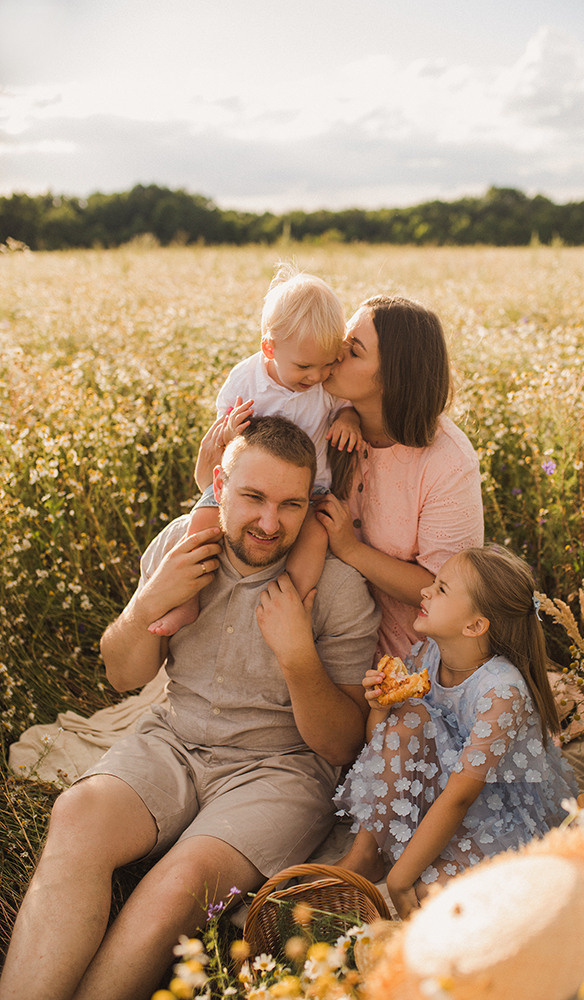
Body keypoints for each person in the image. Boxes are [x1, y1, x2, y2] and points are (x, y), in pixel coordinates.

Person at [0, 416, 380, 1000]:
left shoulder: (336, 587)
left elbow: (342, 746)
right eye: (252, 497)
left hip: (280, 770)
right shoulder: (182, 541)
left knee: (180, 883)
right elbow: (123, 674)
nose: (269, 522)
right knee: (77, 814)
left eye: (291, 505)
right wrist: (148, 601)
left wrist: (298, 656)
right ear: (218, 486)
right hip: (173, 740)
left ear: (310, 506)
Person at [335, 544, 579, 919]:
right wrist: (380, 708)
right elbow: (383, 749)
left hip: (492, 808)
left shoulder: (502, 692)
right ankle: (365, 854)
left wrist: (401, 879)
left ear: (475, 625)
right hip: (440, 793)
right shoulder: (425, 656)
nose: (425, 591)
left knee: (429, 895)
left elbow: (461, 798)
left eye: (442, 589)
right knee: (410, 714)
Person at [148, 264, 362, 636]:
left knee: (316, 536)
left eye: (327, 366)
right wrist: (230, 428)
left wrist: (349, 420)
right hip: (250, 483)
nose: (315, 377)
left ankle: (289, 601)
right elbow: (223, 426)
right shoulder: (247, 379)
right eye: (304, 366)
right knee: (200, 524)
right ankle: (186, 601)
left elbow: (345, 404)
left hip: (310, 488)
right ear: (269, 348)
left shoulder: (325, 385)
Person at [315, 294, 484, 660]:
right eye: (343, 341)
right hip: (328, 628)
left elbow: (444, 587)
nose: (336, 354)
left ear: (394, 376)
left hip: (410, 651)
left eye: (354, 351)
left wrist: (350, 549)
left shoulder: (449, 462)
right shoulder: (320, 406)